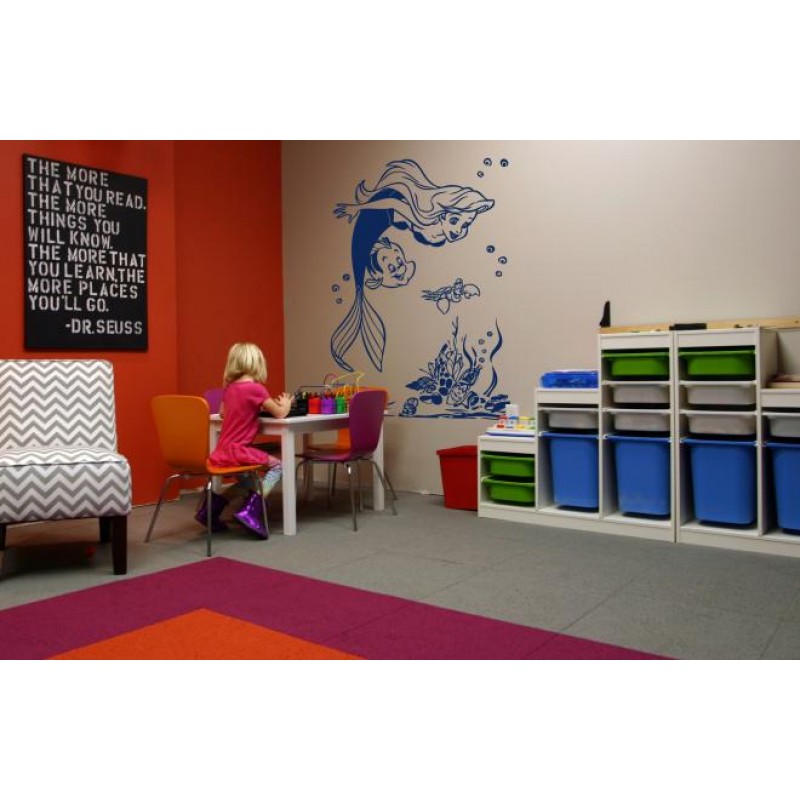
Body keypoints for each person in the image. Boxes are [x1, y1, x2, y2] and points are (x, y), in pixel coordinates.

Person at [196, 342, 292, 539]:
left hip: (222, 451)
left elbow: (222, 413)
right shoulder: (257, 389)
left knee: (248, 482)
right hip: (240, 451)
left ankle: (210, 511)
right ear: (257, 363)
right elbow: (280, 413)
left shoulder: (230, 388)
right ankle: (251, 510)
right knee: (278, 467)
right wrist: (286, 403)